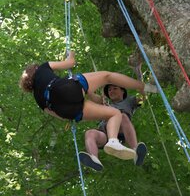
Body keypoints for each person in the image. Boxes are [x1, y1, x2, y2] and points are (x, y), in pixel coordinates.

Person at [19, 51, 157, 158]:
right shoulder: (43, 68)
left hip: (66, 110)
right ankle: (144, 87)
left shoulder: (37, 97)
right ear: (35, 69)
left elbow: (60, 116)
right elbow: (70, 63)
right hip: (64, 88)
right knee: (107, 77)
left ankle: (114, 142)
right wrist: (71, 53)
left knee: (114, 113)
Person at [79, 84, 147, 171]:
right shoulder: (104, 104)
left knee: (122, 116)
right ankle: (94, 159)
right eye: (109, 90)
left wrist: (140, 84)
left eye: (115, 88)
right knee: (90, 133)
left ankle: (136, 152)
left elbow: (142, 99)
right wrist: (83, 85)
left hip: (121, 128)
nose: (111, 91)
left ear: (122, 91)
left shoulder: (129, 100)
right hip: (105, 131)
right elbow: (91, 95)